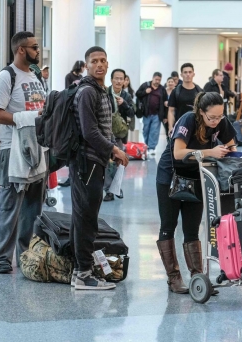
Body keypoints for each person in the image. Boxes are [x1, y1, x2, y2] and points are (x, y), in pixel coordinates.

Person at [156, 92, 236, 293]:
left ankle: (197, 278)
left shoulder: (220, 122)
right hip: (170, 177)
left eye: (220, 117)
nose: (216, 121)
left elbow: (232, 145)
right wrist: (210, 152)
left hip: (197, 178)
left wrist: (230, 151)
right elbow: (178, 152)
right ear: (201, 112)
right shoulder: (188, 119)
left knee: (192, 229)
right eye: (212, 117)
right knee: (169, 226)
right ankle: (173, 278)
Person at [0, 31, 48, 273]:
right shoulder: (7, 76)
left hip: (37, 148)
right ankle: (1, 258)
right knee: (10, 206)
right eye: (34, 47)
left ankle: (25, 255)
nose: (38, 50)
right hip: (12, 149)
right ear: (21, 50)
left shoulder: (36, 76)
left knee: (33, 207)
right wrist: (29, 118)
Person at [70, 46, 129, 290]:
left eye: (103, 60)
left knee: (84, 217)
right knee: (86, 219)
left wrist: (110, 151)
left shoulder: (100, 91)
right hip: (87, 163)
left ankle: (79, 270)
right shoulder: (87, 92)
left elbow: (103, 128)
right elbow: (89, 131)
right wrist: (114, 150)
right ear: (86, 65)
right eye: (94, 61)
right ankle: (83, 274)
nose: (100, 65)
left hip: (96, 162)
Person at [104, 68, 135, 202]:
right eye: (116, 78)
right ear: (111, 80)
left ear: (124, 81)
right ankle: (109, 191)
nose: (118, 81)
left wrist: (125, 104)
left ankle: (115, 187)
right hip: (104, 133)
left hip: (118, 135)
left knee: (119, 162)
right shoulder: (105, 93)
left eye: (121, 79)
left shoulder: (126, 96)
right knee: (105, 163)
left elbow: (133, 113)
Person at [136, 72, 167, 155]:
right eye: (156, 79)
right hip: (146, 113)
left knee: (154, 131)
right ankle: (147, 145)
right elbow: (137, 94)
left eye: (159, 80)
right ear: (152, 78)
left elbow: (165, 101)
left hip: (157, 114)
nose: (157, 81)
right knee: (145, 130)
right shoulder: (145, 85)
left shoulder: (162, 89)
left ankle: (152, 147)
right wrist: (145, 92)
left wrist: (165, 116)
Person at [167, 63, 203, 132]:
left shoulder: (199, 91)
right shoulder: (176, 91)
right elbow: (171, 110)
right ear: (181, 75)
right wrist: (170, 127)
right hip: (180, 127)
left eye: (190, 72)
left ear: (193, 74)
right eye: (185, 72)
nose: (188, 74)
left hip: (197, 127)